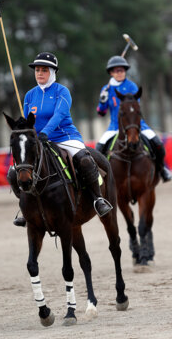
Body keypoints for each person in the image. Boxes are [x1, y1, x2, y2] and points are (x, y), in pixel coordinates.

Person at [8, 52, 112, 227]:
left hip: (65, 137)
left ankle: (98, 199)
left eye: (44, 70)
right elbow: (28, 122)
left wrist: (46, 132)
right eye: (37, 70)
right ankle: (26, 208)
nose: (40, 73)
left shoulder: (62, 91)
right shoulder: (29, 96)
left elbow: (60, 114)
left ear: (53, 72)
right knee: (13, 172)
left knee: (85, 160)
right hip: (39, 141)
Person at [96, 55, 172, 183]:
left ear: (125, 71)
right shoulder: (106, 89)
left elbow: (134, 109)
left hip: (136, 125)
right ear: (111, 73)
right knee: (98, 149)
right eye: (116, 70)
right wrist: (102, 100)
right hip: (115, 127)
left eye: (122, 70)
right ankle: (101, 178)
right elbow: (101, 113)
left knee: (158, 144)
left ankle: (162, 169)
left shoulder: (131, 86)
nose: (119, 73)